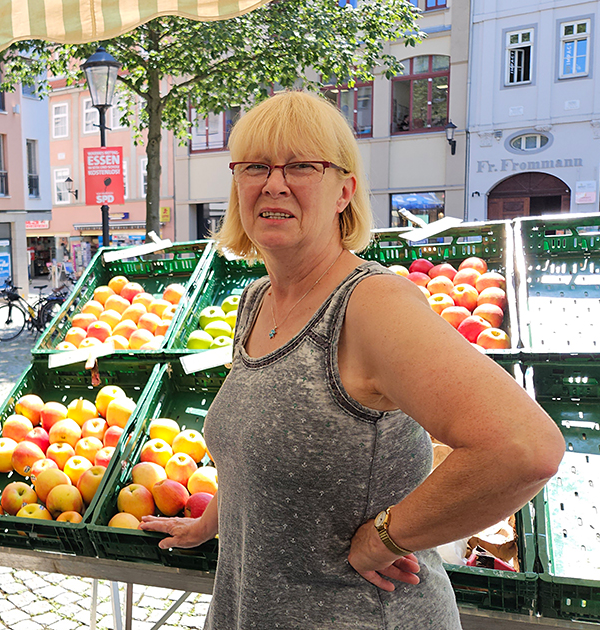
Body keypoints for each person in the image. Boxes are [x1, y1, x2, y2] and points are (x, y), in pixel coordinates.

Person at [138, 91, 564, 629]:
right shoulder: (257, 301)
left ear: (344, 191)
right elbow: (256, 446)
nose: (273, 183)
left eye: (301, 166)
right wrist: (213, 522)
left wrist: (385, 537)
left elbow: (525, 448)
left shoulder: (371, 305)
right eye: (255, 167)